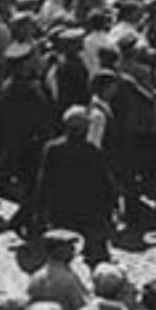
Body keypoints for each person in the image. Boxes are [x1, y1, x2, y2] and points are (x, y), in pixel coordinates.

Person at [35, 105, 118, 264]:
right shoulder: (92, 151)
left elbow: (44, 181)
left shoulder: (52, 149)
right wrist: (112, 205)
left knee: (62, 253)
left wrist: (40, 209)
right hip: (89, 211)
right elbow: (105, 182)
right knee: (96, 255)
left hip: (61, 210)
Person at [27, 230, 91, 310]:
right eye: (68, 246)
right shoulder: (67, 278)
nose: (73, 249)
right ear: (55, 250)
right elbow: (81, 308)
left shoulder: (36, 276)